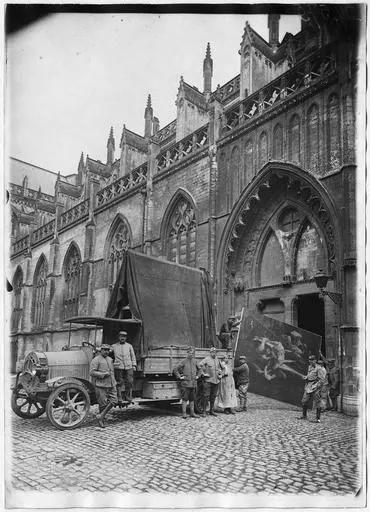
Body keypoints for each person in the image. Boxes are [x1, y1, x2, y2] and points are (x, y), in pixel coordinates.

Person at [90, 344, 117, 428]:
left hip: (111, 383)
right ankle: (101, 420)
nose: (106, 352)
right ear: (100, 350)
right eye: (104, 350)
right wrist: (103, 374)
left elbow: (112, 371)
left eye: (107, 350)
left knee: (114, 400)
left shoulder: (110, 359)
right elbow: (92, 372)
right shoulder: (96, 360)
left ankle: (100, 416)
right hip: (101, 385)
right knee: (102, 404)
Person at [173, 346, 201, 419]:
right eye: (190, 353)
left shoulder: (195, 361)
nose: (191, 354)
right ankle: (184, 413)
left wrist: (198, 376)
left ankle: (192, 413)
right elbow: (175, 369)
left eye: (192, 353)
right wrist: (180, 377)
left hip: (193, 384)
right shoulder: (184, 361)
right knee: (185, 399)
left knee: (192, 399)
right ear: (187, 353)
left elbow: (200, 370)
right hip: (185, 384)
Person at [111, 330, 137, 404]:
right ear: (118, 337)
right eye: (121, 336)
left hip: (129, 366)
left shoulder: (129, 346)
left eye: (124, 337)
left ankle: (128, 397)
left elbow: (133, 356)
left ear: (126, 338)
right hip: (118, 367)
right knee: (119, 382)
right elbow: (108, 352)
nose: (122, 338)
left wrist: (134, 365)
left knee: (129, 382)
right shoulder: (114, 346)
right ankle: (119, 398)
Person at [299, 354, 325, 423]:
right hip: (309, 386)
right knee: (304, 401)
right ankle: (304, 416)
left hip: (316, 386)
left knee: (317, 402)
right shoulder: (310, 367)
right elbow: (310, 375)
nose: (310, 361)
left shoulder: (319, 368)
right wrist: (306, 377)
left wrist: (318, 388)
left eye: (312, 360)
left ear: (315, 360)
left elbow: (322, 379)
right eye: (309, 360)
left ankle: (318, 419)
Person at [199, 347, 223, 417]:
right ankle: (204, 411)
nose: (214, 353)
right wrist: (203, 373)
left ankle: (211, 410)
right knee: (206, 396)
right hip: (208, 381)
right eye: (212, 352)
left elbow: (221, 368)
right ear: (210, 352)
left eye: (215, 352)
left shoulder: (217, 359)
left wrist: (220, 374)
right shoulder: (206, 359)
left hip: (216, 381)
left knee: (213, 396)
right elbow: (199, 365)